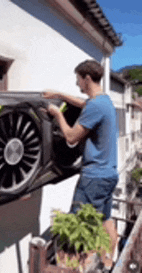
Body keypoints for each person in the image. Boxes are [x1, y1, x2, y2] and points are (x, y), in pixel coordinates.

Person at [43, 60, 118, 272]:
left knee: (76, 230)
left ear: (86, 78)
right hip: (110, 175)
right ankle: (108, 264)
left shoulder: (95, 106)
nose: (77, 85)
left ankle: (76, 268)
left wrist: (57, 114)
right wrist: (59, 95)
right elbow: (83, 104)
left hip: (93, 178)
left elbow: (71, 137)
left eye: (78, 80)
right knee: (106, 220)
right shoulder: (105, 102)